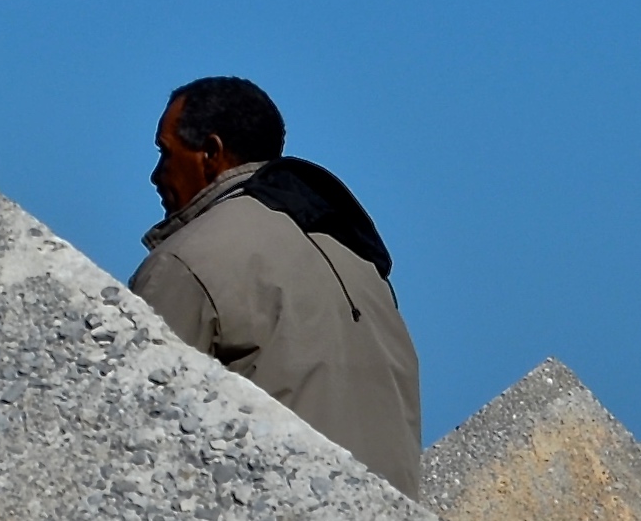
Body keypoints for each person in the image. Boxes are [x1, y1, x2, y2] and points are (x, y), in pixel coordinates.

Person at [130, 74, 423, 497]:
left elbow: (136, 427)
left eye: (165, 152)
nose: (156, 175)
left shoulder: (185, 261)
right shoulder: (360, 263)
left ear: (210, 152)